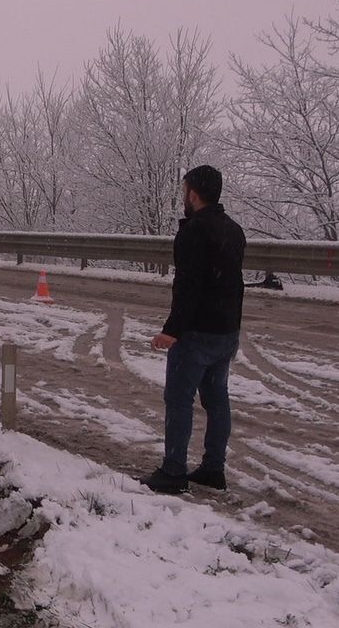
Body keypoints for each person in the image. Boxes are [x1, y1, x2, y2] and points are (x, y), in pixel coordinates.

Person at [141, 165, 246, 494]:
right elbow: (233, 284)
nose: (183, 196)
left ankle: (173, 472)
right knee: (217, 400)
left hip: (196, 334)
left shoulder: (193, 232)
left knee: (179, 400)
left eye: (185, 190)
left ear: (194, 194)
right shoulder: (234, 230)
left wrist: (172, 330)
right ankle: (214, 469)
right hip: (226, 332)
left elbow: (188, 287)